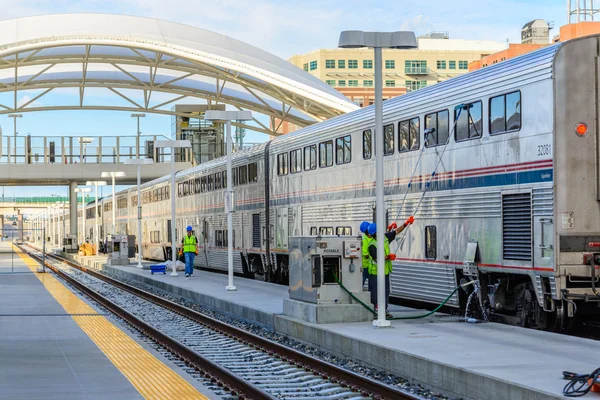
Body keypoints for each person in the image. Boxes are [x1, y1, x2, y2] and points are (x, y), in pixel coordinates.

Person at [367, 216, 415, 318]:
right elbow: (377, 259)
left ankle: (384, 310)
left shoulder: (385, 238)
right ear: (375, 233)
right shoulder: (372, 245)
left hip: (385, 271)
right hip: (375, 273)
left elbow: (396, 232)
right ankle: (377, 311)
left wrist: (406, 224)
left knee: (386, 291)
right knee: (376, 293)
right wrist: (388, 257)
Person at [359, 221, 372, 287]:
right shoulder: (364, 240)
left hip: (370, 265)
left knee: (372, 281)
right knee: (363, 279)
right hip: (365, 265)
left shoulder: (371, 238)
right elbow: (365, 254)